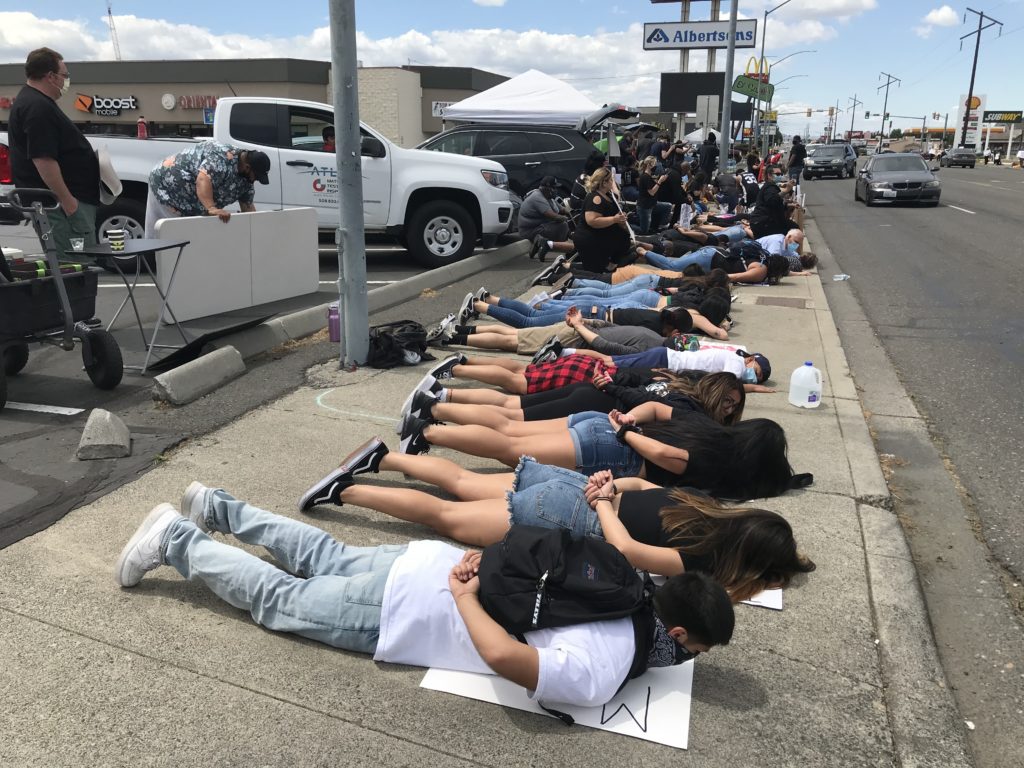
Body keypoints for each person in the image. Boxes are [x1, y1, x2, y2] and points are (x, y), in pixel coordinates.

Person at [116, 488, 734, 709]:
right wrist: (464, 598)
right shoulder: (605, 668)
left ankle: (216, 505)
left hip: (427, 561)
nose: (687, 661)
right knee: (282, 600)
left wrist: (466, 574)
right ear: (677, 636)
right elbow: (507, 661)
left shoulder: (629, 584)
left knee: (322, 554)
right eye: (695, 651)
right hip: (413, 608)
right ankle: (176, 539)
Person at [300, 444, 815, 602]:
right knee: (446, 516)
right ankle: (344, 489)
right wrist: (606, 509)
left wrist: (608, 489)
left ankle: (382, 458)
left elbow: (641, 485)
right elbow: (631, 553)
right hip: (571, 516)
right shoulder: (703, 555)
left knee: (458, 481)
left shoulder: (706, 507)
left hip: (572, 488)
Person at [394, 399, 799, 500]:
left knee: (510, 435)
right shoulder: (720, 462)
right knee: (510, 447)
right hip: (612, 451)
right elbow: (669, 459)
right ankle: (428, 434)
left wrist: (626, 421)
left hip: (601, 424)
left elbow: (656, 408)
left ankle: (432, 419)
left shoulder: (708, 427)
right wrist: (627, 437)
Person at [7, 47, 101, 256]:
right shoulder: (37, 108)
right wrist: (69, 204)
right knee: (74, 268)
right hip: (60, 209)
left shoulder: (35, 103)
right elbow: (44, 160)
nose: (66, 81)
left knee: (76, 269)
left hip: (60, 206)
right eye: (64, 76)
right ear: (50, 76)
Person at [144, 141, 271, 237]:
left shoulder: (246, 180)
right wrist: (211, 208)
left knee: (190, 240)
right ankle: (156, 264)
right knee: (171, 238)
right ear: (248, 168)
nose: (256, 180)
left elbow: (248, 208)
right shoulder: (221, 158)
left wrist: (258, 232)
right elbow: (203, 180)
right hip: (168, 188)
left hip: (191, 202)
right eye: (257, 176)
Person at [571, 167, 634, 273]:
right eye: (610, 180)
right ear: (604, 183)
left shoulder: (607, 195)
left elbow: (617, 195)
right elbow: (592, 221)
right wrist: (614, 219)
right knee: (594, 271)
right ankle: (564, 268)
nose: (612, 182)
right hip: (590, 239)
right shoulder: (595, 198)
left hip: (601, 238)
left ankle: (611, 266)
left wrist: (618, 217)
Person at [518, 176, 573, 262]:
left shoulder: (548, 197)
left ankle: (539, 243)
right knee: (563, 226)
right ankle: (545, 244)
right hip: (529, 231)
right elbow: (552, 216)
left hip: (540, 227)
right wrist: (566, 219)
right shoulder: (537, 197)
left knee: (564, 225)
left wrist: (572, 213)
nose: (556, 190)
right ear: (547, 188)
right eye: (554, 188)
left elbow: (562, 209)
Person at [635, 156, 673, 234]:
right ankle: (628, 225)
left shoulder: (649, 176)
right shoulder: (645, 177)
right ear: (649, 165)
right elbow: (651, 192)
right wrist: (660, 181)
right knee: (644, 230)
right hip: (645, 206)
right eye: (654, 164)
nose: (656, 166)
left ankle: (662, 225)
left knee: (668, 206)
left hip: (652, 204)